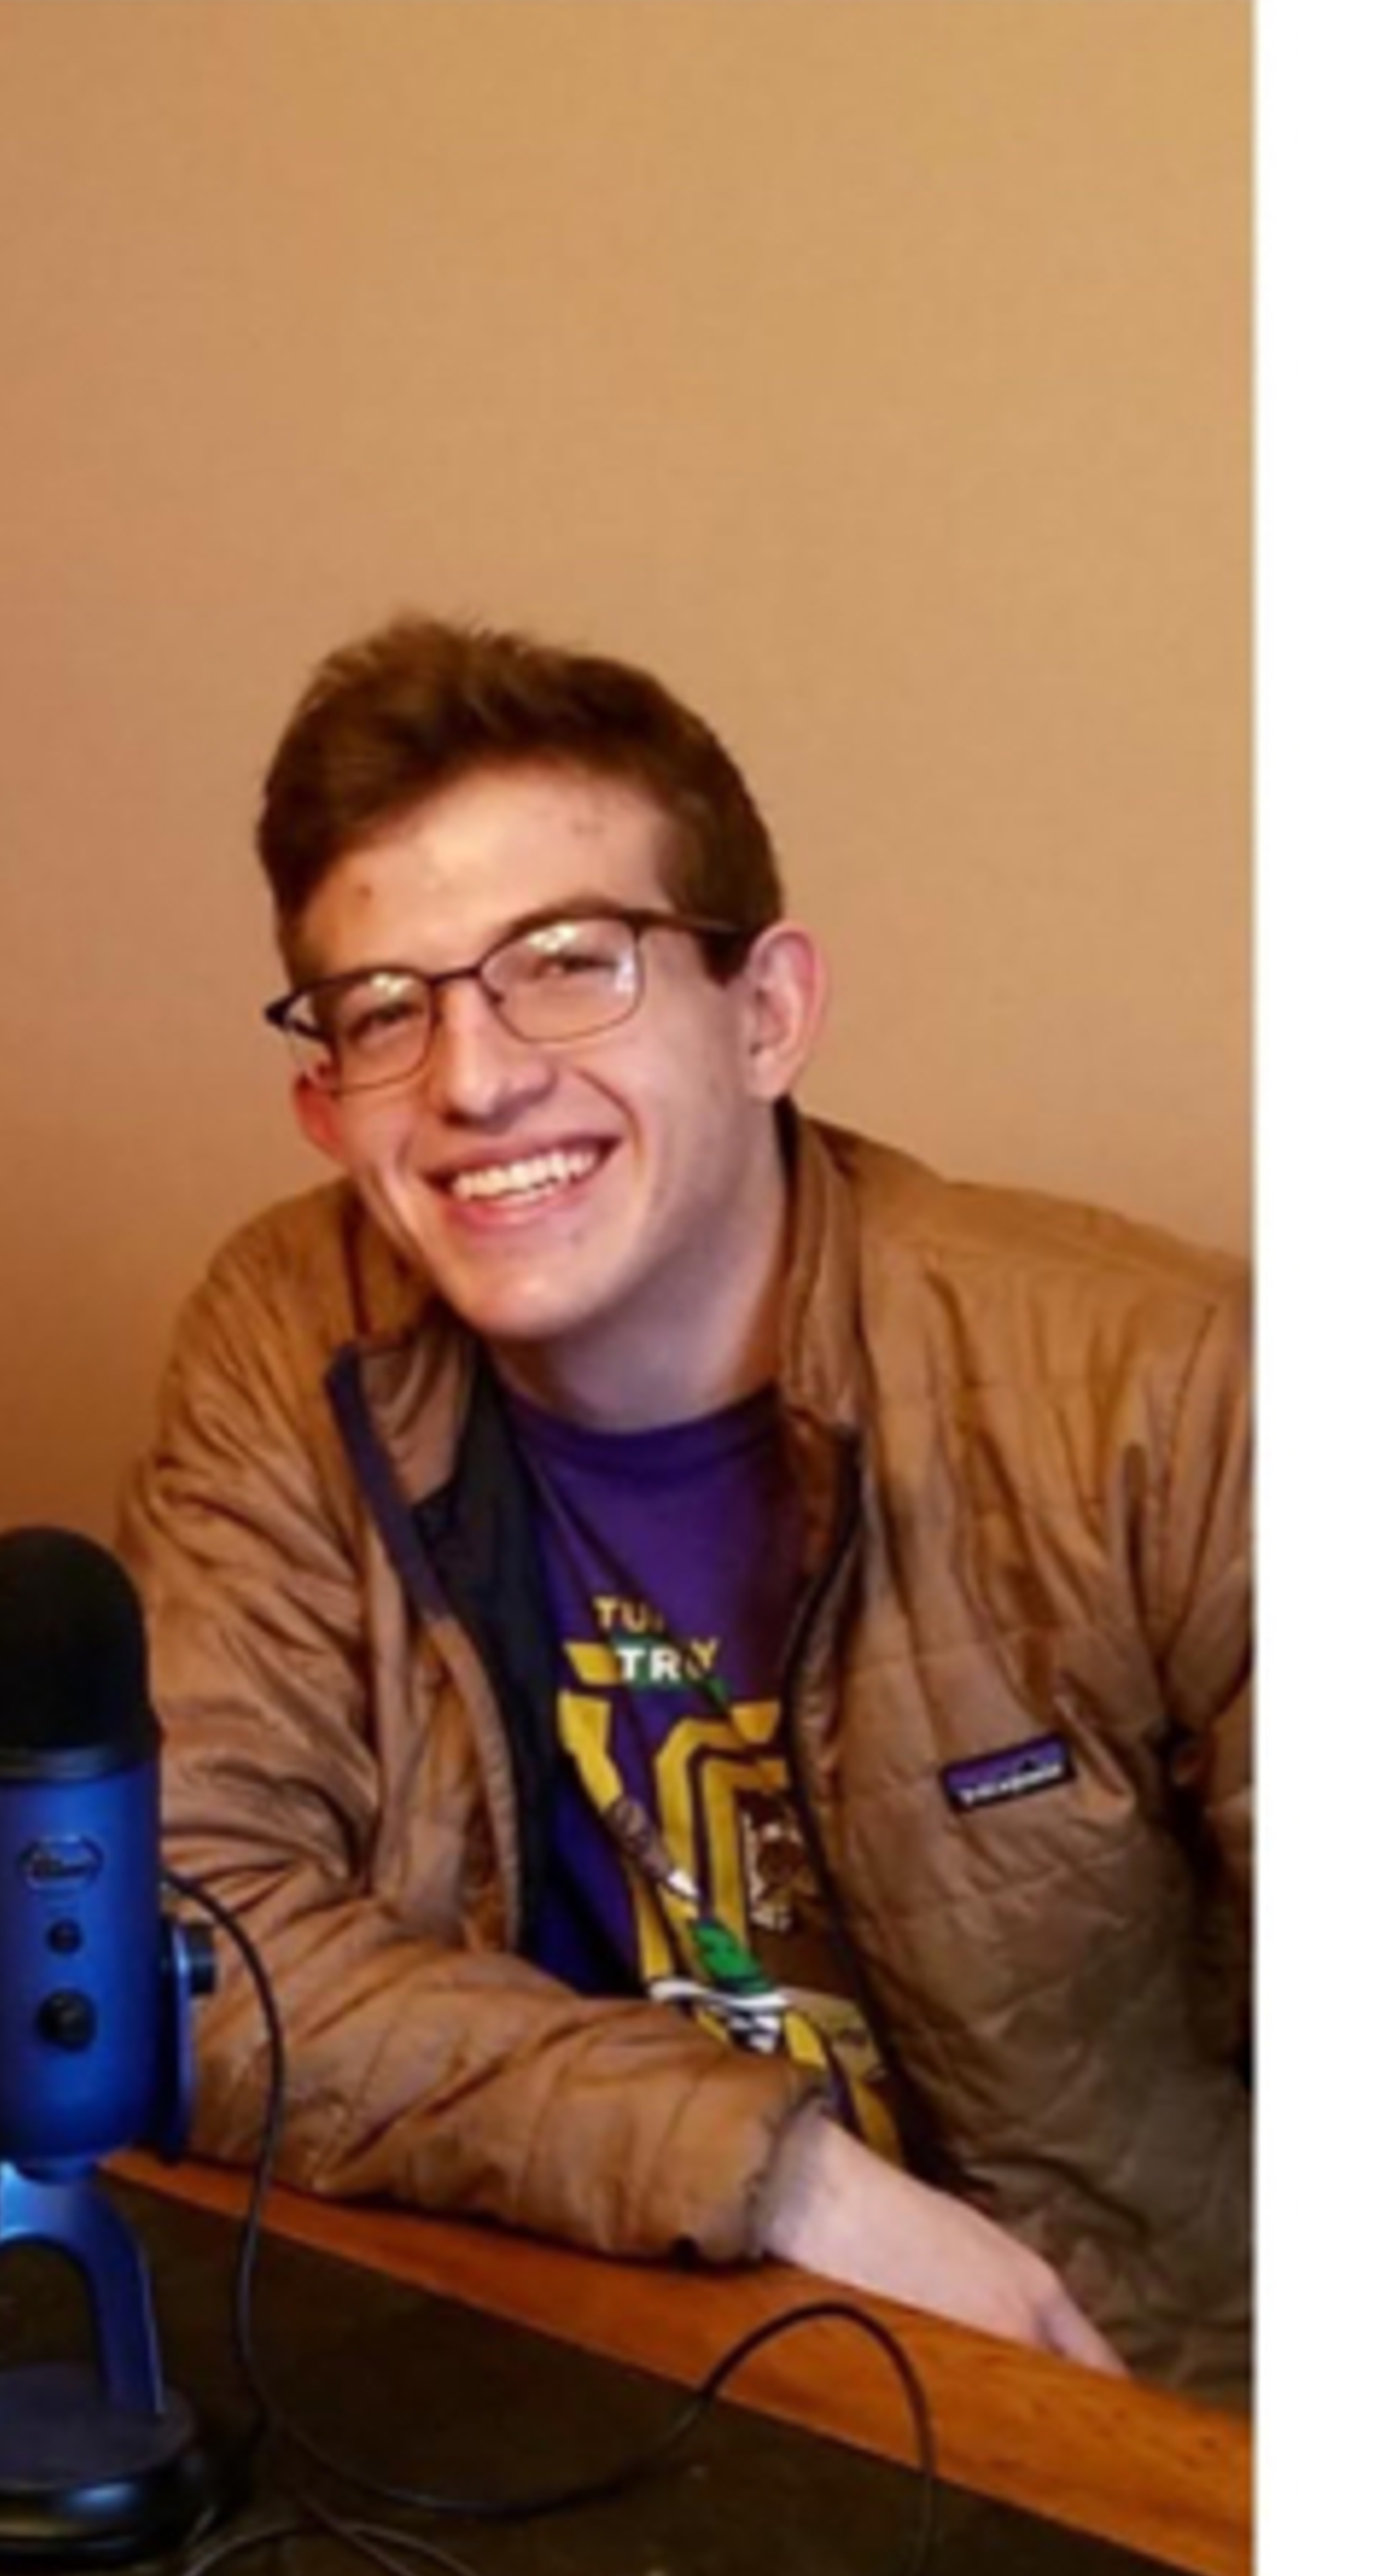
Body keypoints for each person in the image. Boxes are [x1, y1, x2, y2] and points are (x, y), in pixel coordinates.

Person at [120, 614, 1250, 2405]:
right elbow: (172, 1943)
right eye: (388, 1009)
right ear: (323, 1103)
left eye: (570, 964)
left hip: (1104, 2422)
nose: (476, 1078)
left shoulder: (1166, 1389)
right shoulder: (293, 1339)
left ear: (768, 1013)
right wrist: (774, 2175)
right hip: (541, 2371)